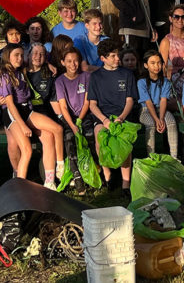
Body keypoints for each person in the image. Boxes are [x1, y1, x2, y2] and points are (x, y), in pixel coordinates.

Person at [87, 39, 138, 196]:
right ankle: (108, 176)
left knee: (124, 142)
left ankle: (125, 183)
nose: (117, 58)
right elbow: (92, 104)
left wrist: (121, 117)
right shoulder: (96, 77)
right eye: (113, 56)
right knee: (100, 137)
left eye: (118, 55)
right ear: (103, 58)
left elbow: (130, 100)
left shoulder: (127, 74)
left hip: (122, 115)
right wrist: (105, 120)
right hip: (102, 116)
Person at [26, 43, 66, 182]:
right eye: (35, 53)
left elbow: (54, 100)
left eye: (42, 54)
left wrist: (62, 116)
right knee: (57, 129)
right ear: (29, 55)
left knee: (49, 137)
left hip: (43, 115)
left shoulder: (48, 74)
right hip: (26, 114)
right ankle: (61, 165)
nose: (38, 56)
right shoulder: (21, 72)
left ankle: (49, 182)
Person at [54, 47, 92, 194]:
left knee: (88, 136)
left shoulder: (86, 77)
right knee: (69, 138)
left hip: (84, 114)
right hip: (69, 117)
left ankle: (91, 169)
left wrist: (80, 120)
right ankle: (76, 175)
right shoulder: (60, 81)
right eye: (69, 61)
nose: (73, 64)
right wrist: (72, 125)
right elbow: (63, 107)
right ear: (63, 62)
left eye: (76, 61)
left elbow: (87, 101)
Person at [0, 43, 34, 180]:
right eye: (16, 55)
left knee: (14, 143)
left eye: (21, 55)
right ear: (8, 57)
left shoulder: (20, 71)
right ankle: (19, 180)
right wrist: (23, 125)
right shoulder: (5, 75)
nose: (20, 58)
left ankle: (18, 175)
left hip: (23, 109)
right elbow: (9, 104)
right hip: (11, 112)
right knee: (22, 147)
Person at [138, 50, 178, 159]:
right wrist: (157, 119)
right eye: (153, 63)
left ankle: (174, 157)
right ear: (146, 65)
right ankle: (151, 157)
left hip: (161, 108)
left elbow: (163, 100)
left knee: (171, 122)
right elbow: (148, 102)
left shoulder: (165, 81)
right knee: (150, 124)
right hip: (146, 109)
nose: (157, 66)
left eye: (159, 62)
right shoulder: (141, 82)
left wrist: (161, 117)